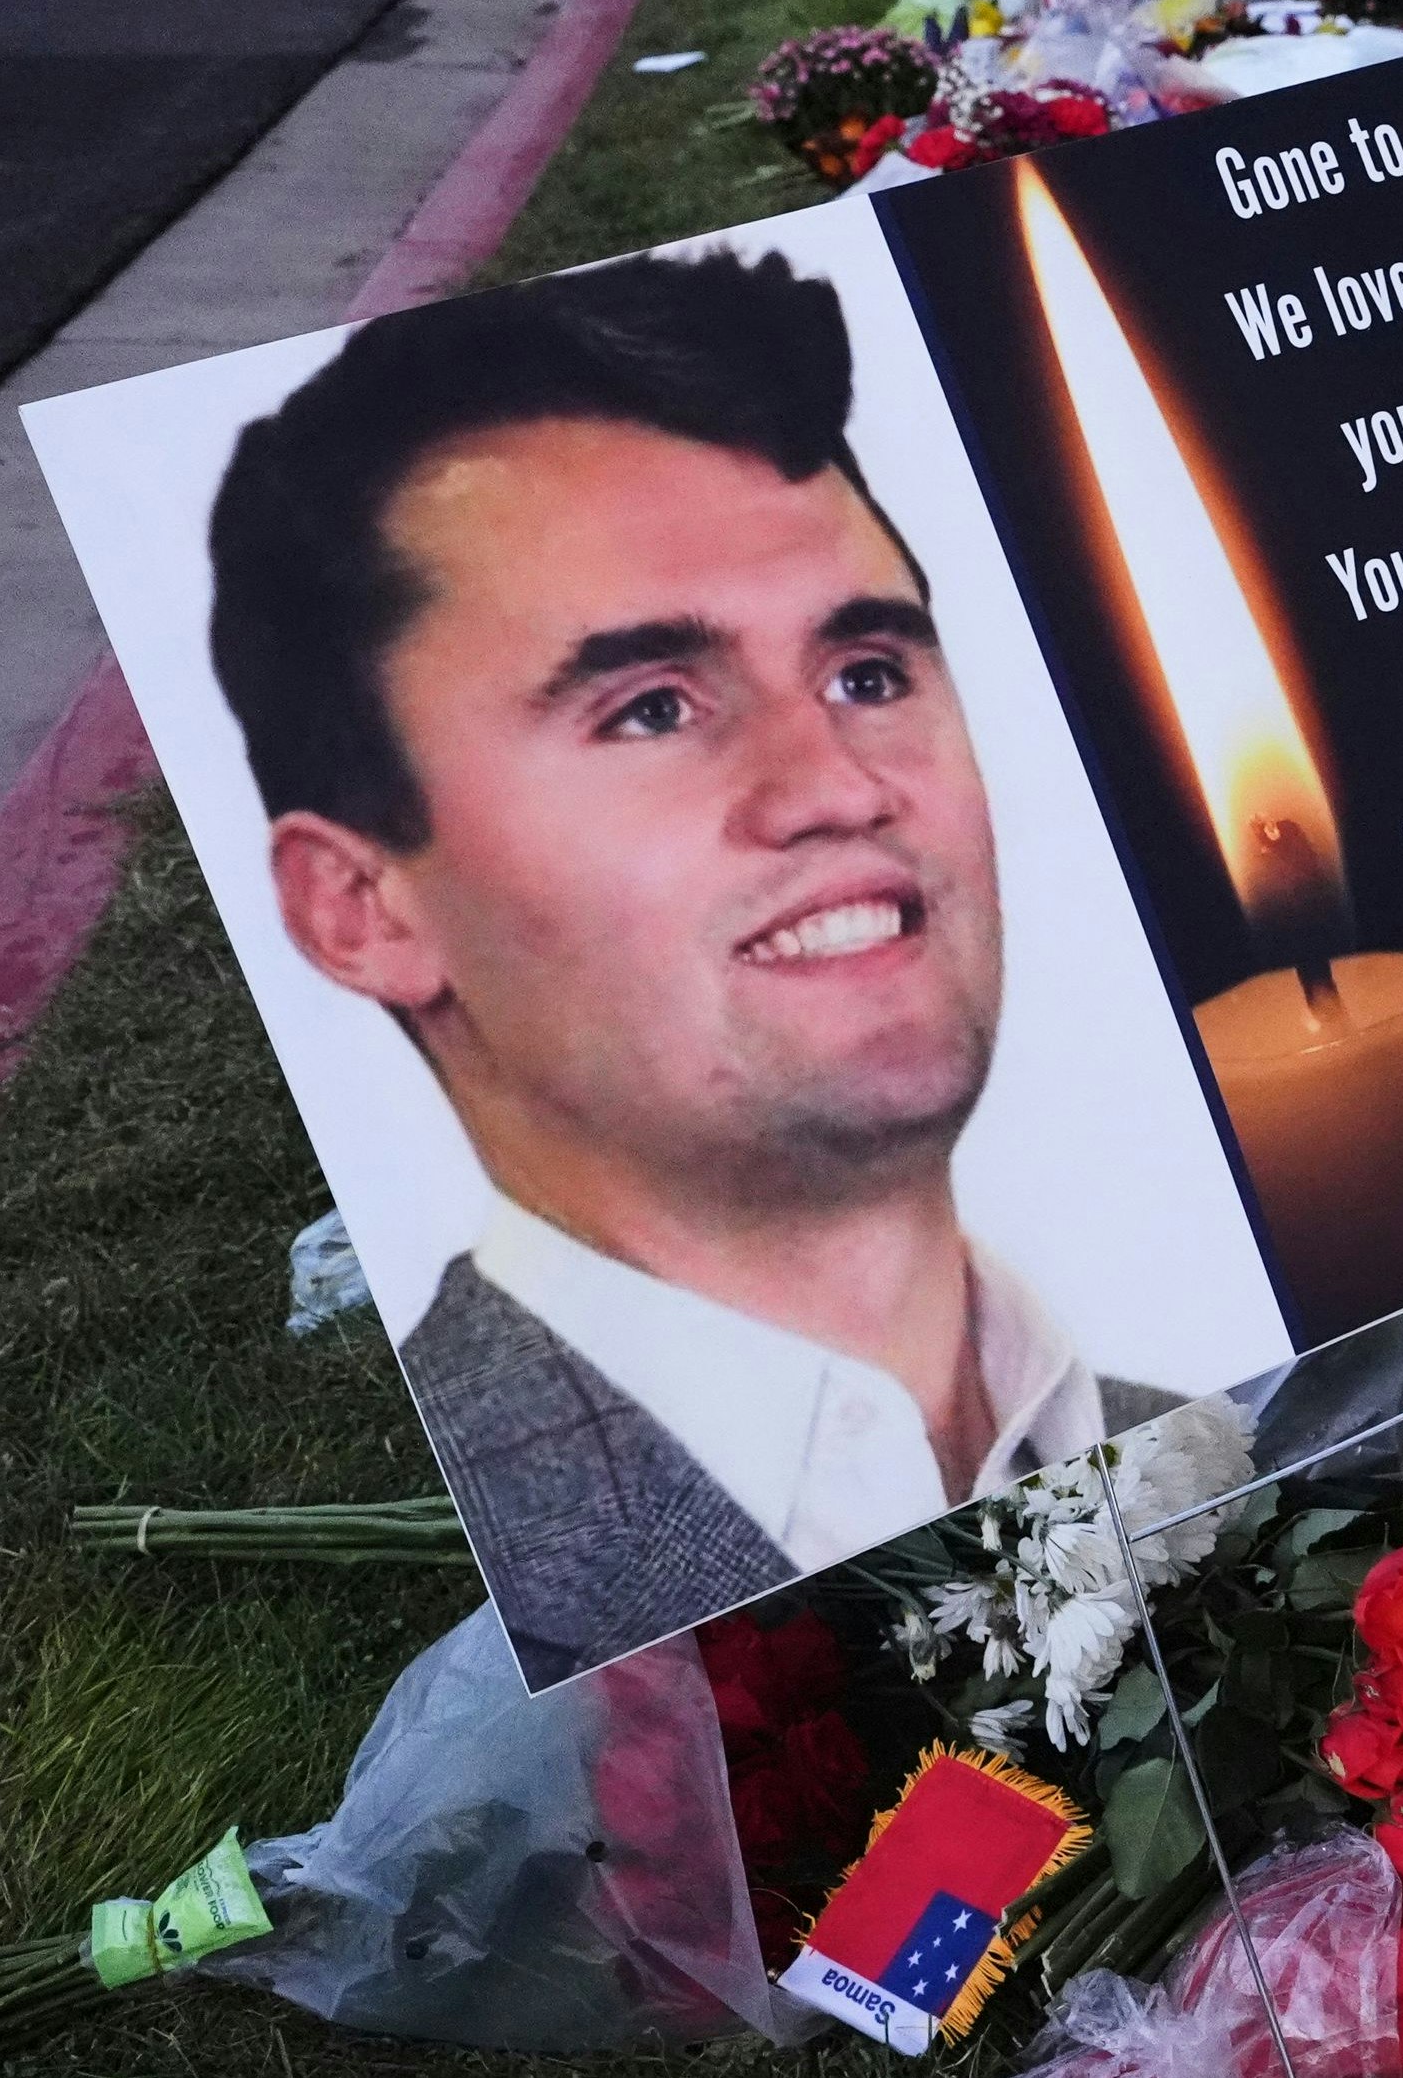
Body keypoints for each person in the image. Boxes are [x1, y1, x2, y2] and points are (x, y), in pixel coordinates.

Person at [210, 250, 1170, 1685]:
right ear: (363, 909)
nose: (836, 785)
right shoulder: (529, 1656)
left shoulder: (1216, 1417)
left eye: (866, 673)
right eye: (653, 707)